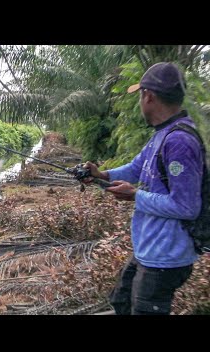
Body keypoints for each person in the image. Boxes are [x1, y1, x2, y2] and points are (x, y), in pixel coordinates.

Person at [84, 62, 204, 315]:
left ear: (148, 96)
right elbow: (137, 168)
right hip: (149, 249)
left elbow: (187, 206)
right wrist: (101, 175)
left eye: (140, 95)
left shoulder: (180, 141)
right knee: (121, 301)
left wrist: (135, 195)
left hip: (166, 255)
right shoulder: (162, 134)